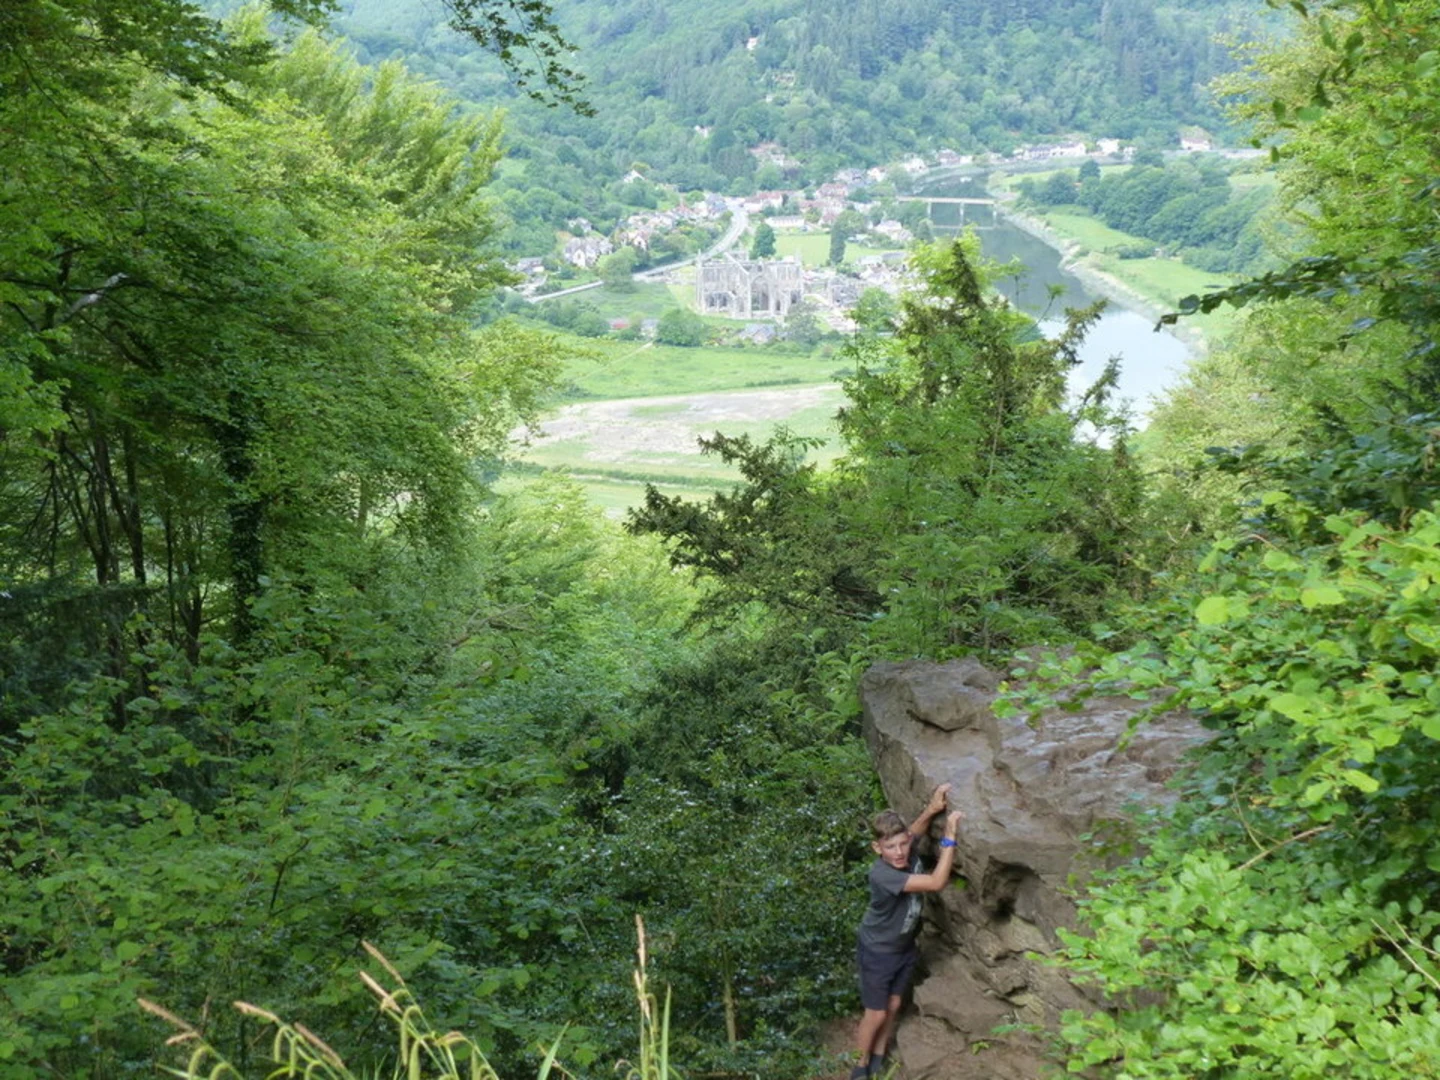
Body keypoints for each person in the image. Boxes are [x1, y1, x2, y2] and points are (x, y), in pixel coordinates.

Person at [852, 783, 963, 1079]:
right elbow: (935, 882)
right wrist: (949, 840)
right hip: (878, 950)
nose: (900, 852)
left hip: (903, 947)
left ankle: (878, 1054)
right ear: (878, 848)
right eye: (890, 847)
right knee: (875, 1013)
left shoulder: (904, 847)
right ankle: (860, 1066)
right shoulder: (882, 874)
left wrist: (933, 808)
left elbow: (915, 830)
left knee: (894, 1004)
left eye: (903, 844)